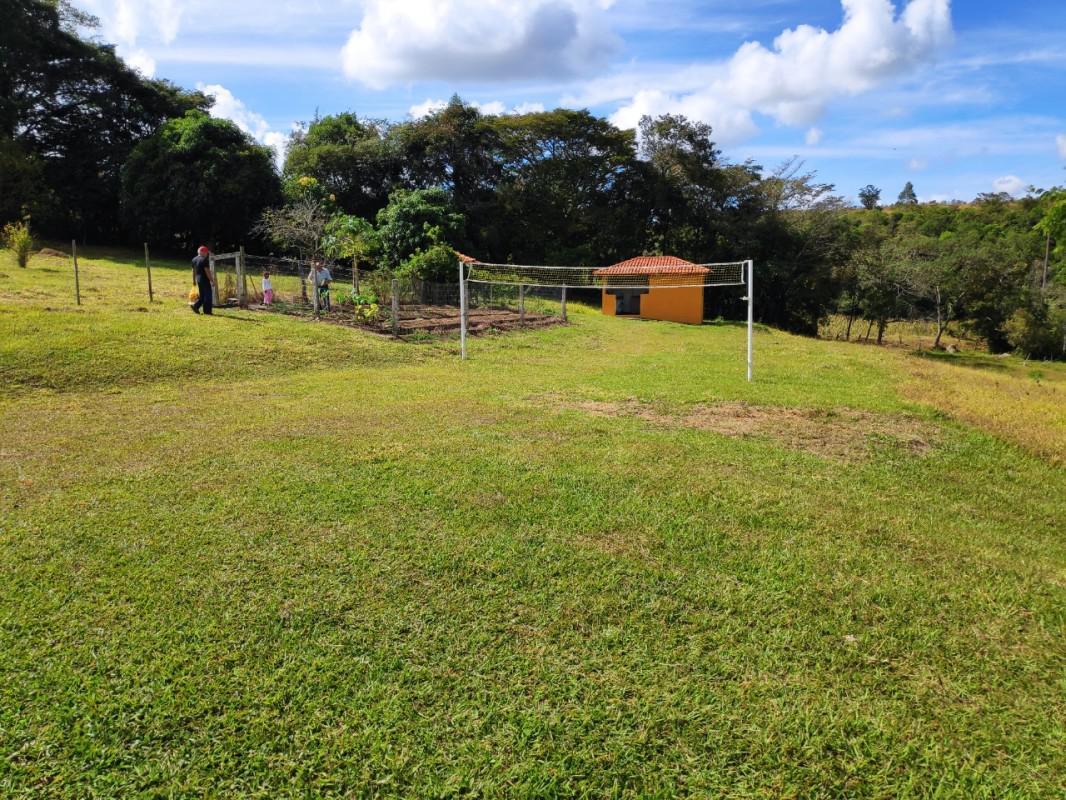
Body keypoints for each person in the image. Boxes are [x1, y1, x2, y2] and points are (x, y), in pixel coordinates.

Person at [190, 246, 216, 315]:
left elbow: (193, 271)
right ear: (203, 252)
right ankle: (207, 311)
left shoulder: (194, 259)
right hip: (204, 280)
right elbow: (207, 272)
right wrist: (212, 281)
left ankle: (195, 306)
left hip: (198, 280)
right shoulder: (204, 260)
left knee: (202, 296)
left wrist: (194, 280)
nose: (207, 254)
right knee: (208, 296)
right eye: (206, 253)